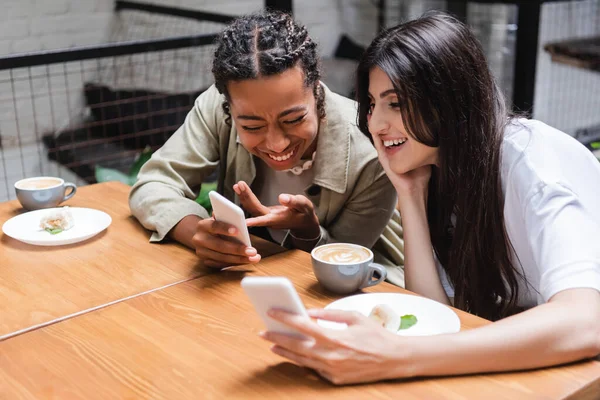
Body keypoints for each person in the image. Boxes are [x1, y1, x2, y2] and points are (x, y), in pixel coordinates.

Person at [259, 12, 600, 384]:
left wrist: (396, 356)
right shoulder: (437, 169)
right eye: (372, 104)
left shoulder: (531, 164)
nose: (375, 124)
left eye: (397, 103)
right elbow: (433, 313)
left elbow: (586, 319)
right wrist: (410, 194)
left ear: (451, 99)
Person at [129, 11, 397, 268]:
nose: (277, 143)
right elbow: (154, 183)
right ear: (229, 107)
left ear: (316, 92)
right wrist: (196, 233)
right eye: (252, 126)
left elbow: (348, 260)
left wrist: (307, 231)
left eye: (293, 120)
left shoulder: (373, 151)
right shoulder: (218, 106)